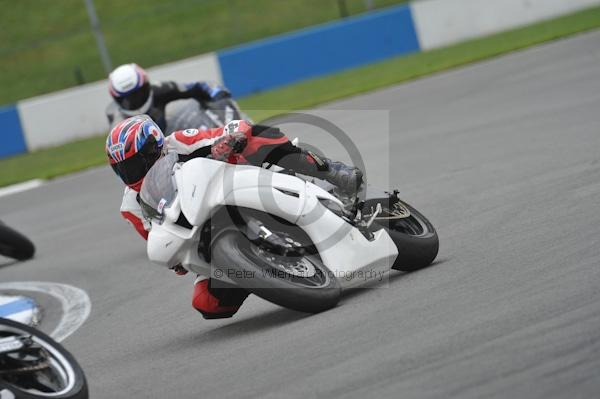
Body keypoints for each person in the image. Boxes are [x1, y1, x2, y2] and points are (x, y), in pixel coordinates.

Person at [106, 114, 363, 319]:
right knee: (207, 304)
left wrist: (232, 138)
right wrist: (174, 257)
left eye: (136, 163)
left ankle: (329, 170)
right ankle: (261, 269)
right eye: (124, 169)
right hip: (204, 233)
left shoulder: (181, 142)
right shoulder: (131, 207)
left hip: (242, 181)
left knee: (257, 136)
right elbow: (160, 238)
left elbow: (234, 126)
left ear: (155, 148)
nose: (134, 173)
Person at [106, 63, 230, 130]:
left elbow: (198, 86)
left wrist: (218, 95)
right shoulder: (118, 123)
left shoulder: (161, 89)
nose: (135, 100)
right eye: (127, 99)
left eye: (138, 94)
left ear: (147, 86)